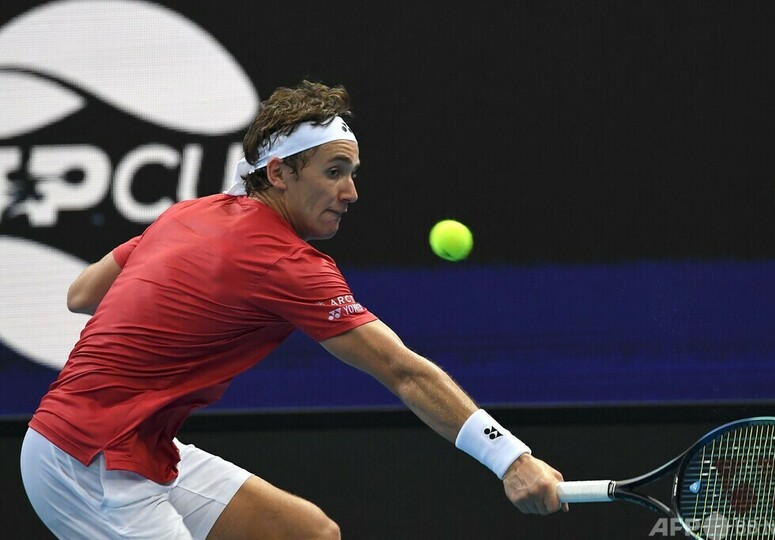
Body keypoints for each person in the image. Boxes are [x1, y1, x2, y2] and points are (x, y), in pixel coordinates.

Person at [19, 80, 566, 539]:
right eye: (333, 172)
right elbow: (403, 372)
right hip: (88, 459)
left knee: (309, 534)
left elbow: (82, 294)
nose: (350, 192)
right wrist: (511, 460)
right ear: (279, 174)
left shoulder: (190, 213)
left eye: (352, 172)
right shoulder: (286, 262)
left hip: (123, 444)